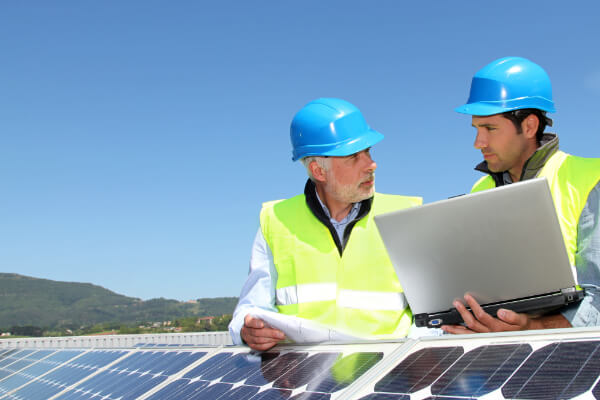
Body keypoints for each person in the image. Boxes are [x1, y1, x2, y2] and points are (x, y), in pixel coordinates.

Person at [229, 98, 422, 350]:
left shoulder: (406, 215)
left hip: (389, 378)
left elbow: (433, 313)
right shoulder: (275, 219)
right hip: (304, 380)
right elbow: (252, 307)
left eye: (369, 152)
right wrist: (247, 331)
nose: (371, 165)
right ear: (318, 171)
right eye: (354, 157)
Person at [445, 56, 600, 334]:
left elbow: (598, 298)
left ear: (529, 127)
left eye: (490, 129)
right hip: (493, 358)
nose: (478, 143)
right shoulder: (479, 191)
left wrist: (533, 328)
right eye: (476, 129)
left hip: (572, 360)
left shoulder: (590, 179)